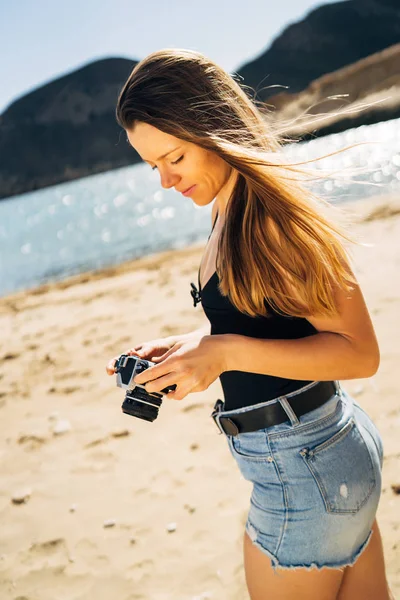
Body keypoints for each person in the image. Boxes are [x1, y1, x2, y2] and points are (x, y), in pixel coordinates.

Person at [106, 48, 393, 599]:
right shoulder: (229, 205)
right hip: (328, 457)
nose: (165, 181)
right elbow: (271, 320)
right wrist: (200, 346)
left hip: (304, 476)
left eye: (175, 159)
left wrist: (227, 352)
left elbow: (360, 352)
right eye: (152, 167)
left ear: (211, 127)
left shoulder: (271, 219)